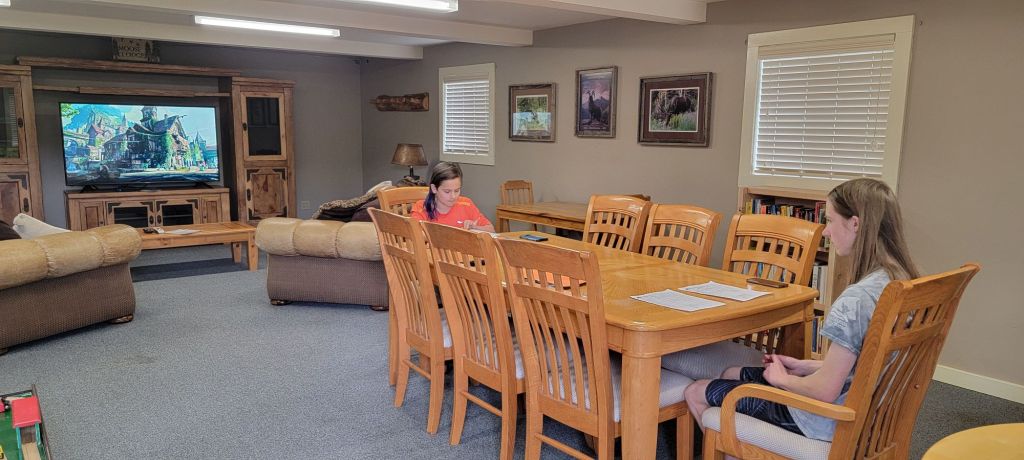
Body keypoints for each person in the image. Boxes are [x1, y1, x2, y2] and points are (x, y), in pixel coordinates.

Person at [682, 178, 920, 441]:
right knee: (731, 373)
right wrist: (803, 365)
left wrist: (782, 380)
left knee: (696, 391)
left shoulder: (856, 299)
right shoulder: (902, 280)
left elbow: (824, 391)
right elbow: (866, 363)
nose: (826, 232)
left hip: (823, 419)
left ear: (855, 224)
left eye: (830, 220)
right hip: (868, 411)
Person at [410, 161, 495, 232]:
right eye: (447, 191)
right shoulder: (421, 208)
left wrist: (474, 227)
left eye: (457, 190)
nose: (453, 196)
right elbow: (416, 235)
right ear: (434, 188)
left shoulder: (466, 204)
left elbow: (491, 230)